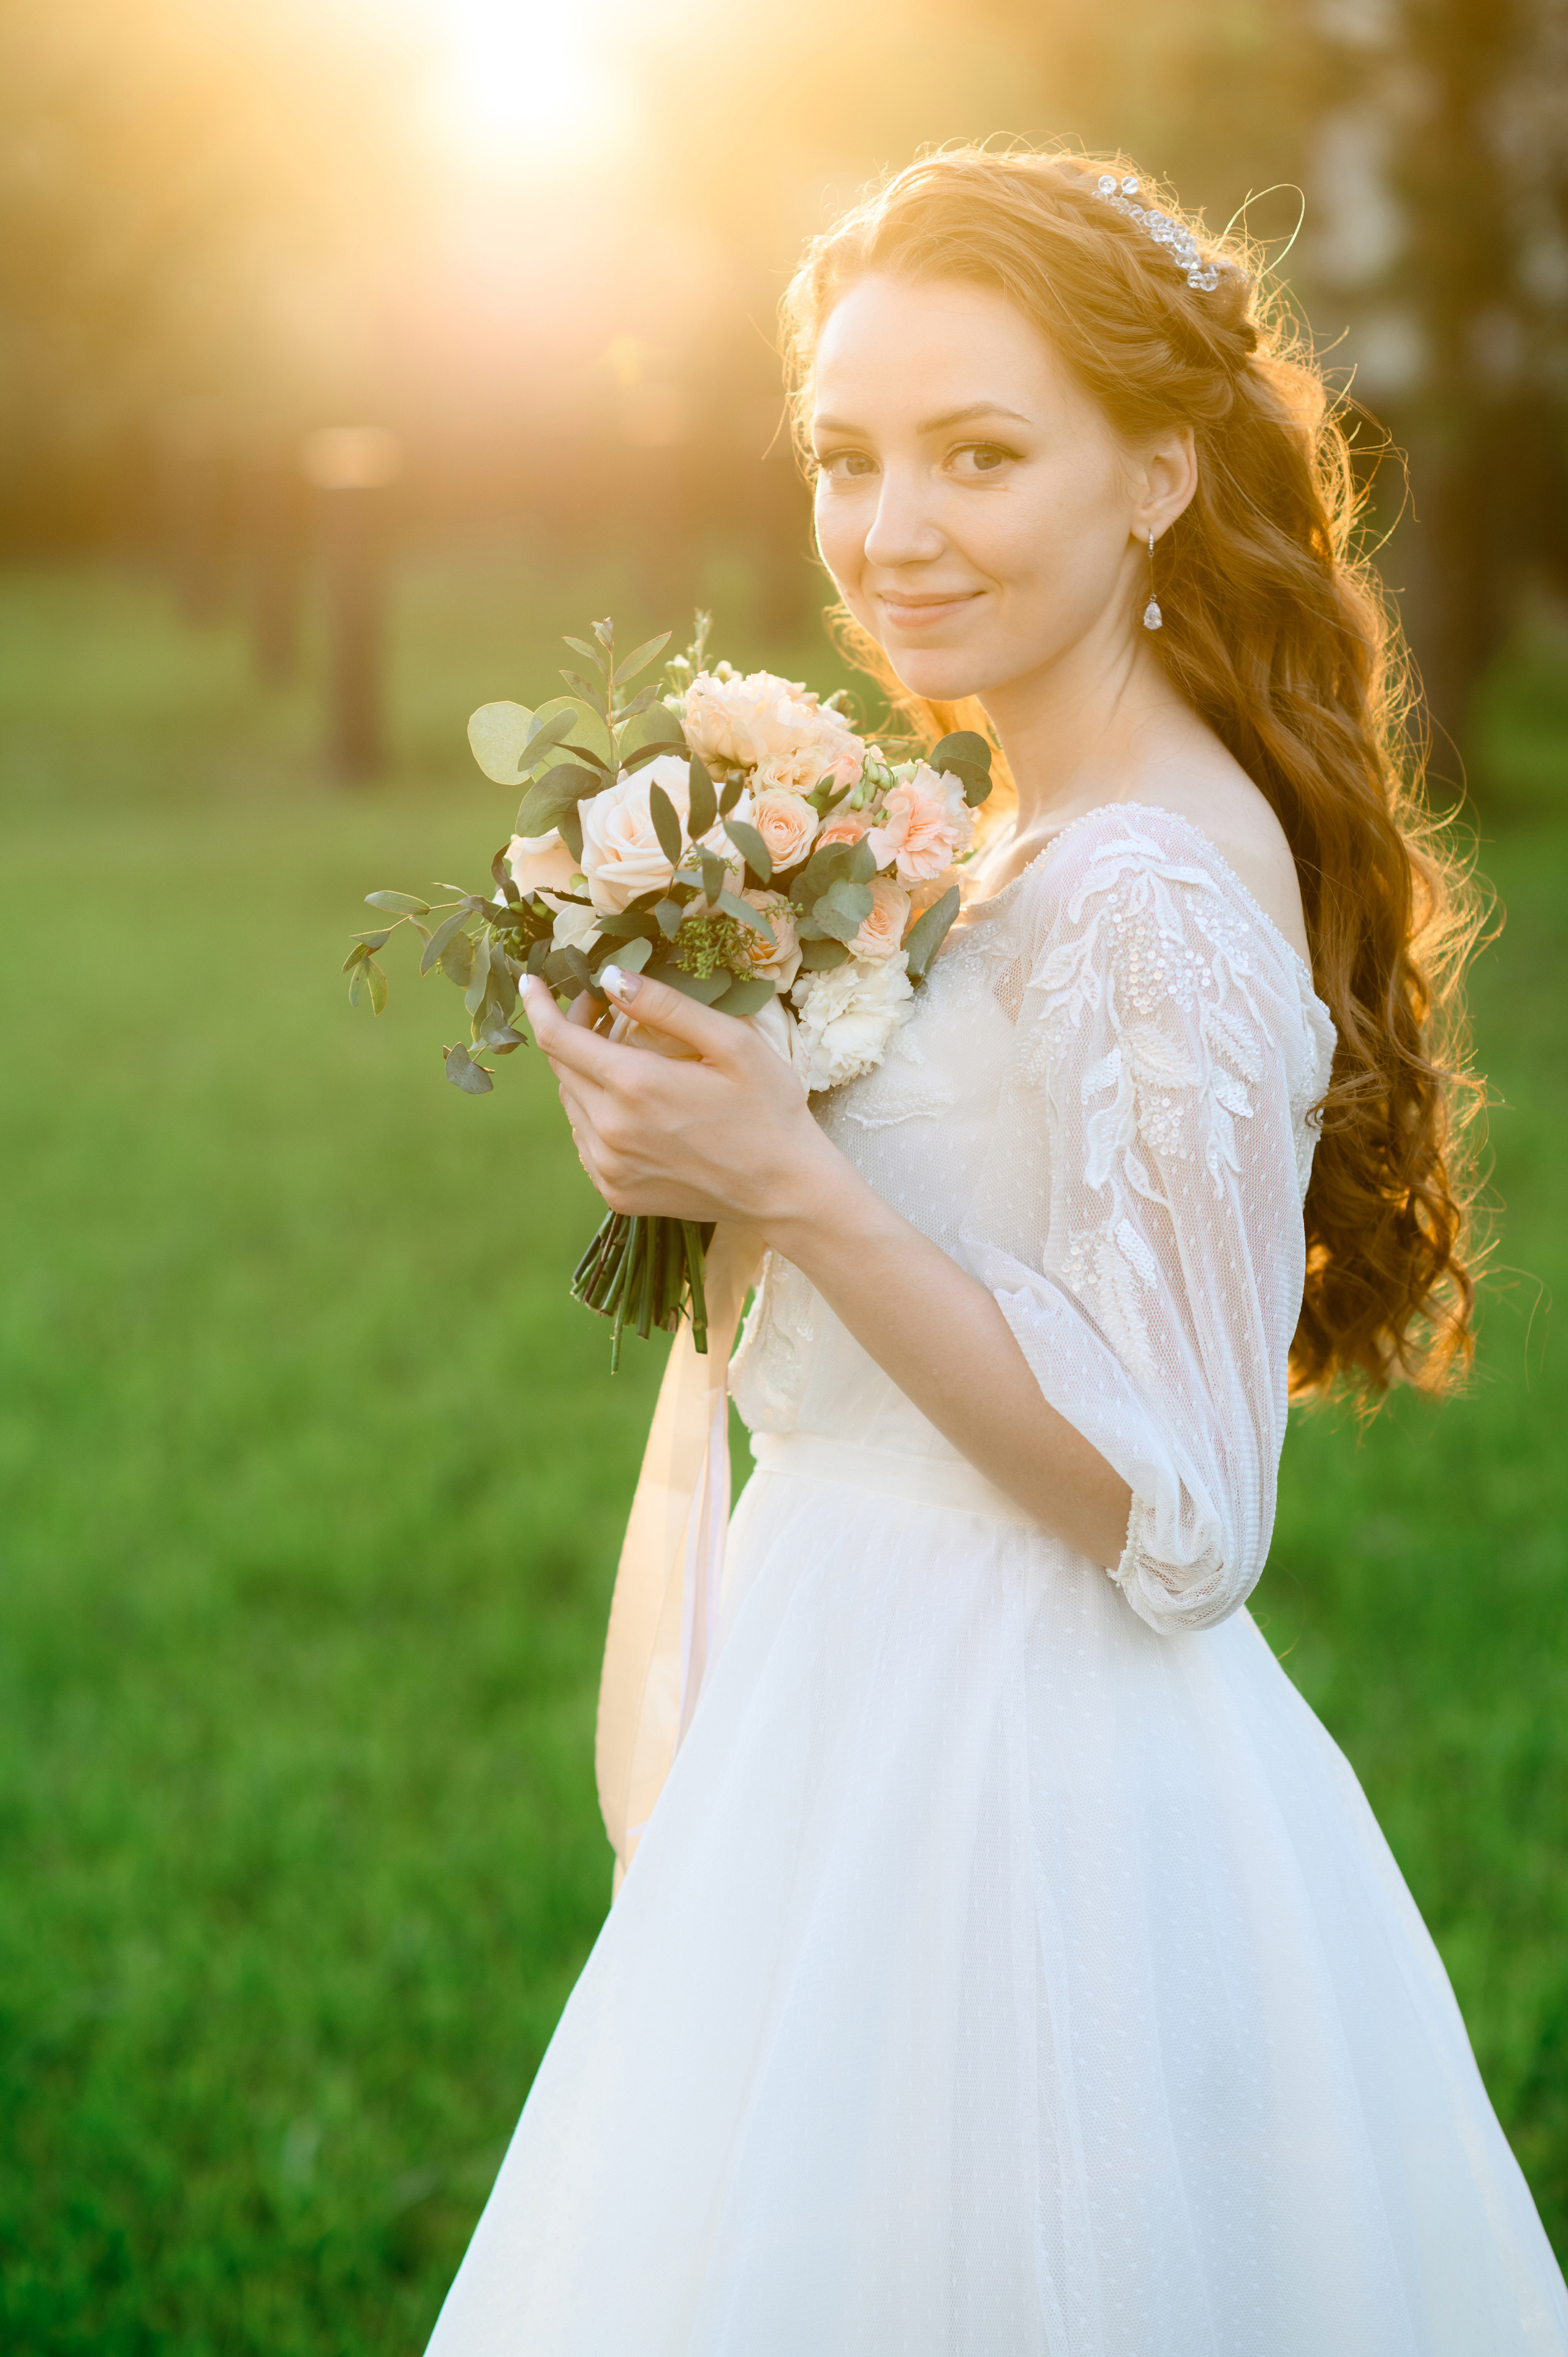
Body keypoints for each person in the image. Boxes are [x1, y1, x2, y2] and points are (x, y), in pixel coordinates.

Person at [427, 146, 1568, 2353]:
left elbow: (1181, 1503)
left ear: (1153, 474)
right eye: (848, 457)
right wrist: (705, 1143)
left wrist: (802, 1179)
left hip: (1014, 1786)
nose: (892, 528)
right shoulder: (1015, 831)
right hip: (854, 1704)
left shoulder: (1143, 888)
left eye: (980, 454)